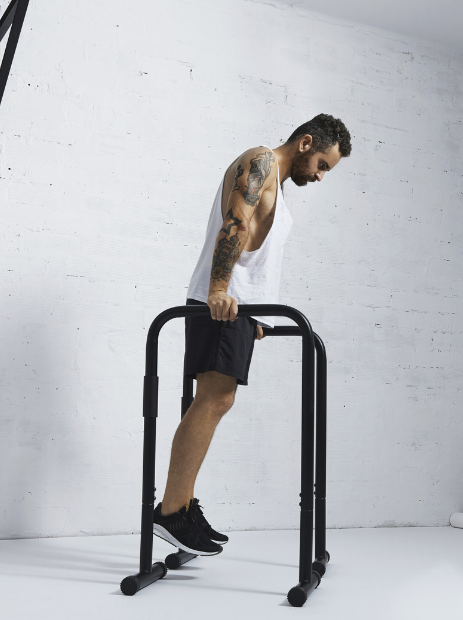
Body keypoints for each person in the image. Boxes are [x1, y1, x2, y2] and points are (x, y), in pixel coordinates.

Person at [151, 114, 352, 556]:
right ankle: (169, 513)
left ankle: (179, 507)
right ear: (304, 143)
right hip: (222, 305)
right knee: (214, 400)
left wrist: (258, 315)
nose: (319, 176)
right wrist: (219, 290)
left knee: (216, 401)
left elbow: (259, 251)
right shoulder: (260, 161)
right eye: (321, 164)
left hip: (241, 310)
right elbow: (236, 222)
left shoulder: (277, 184)